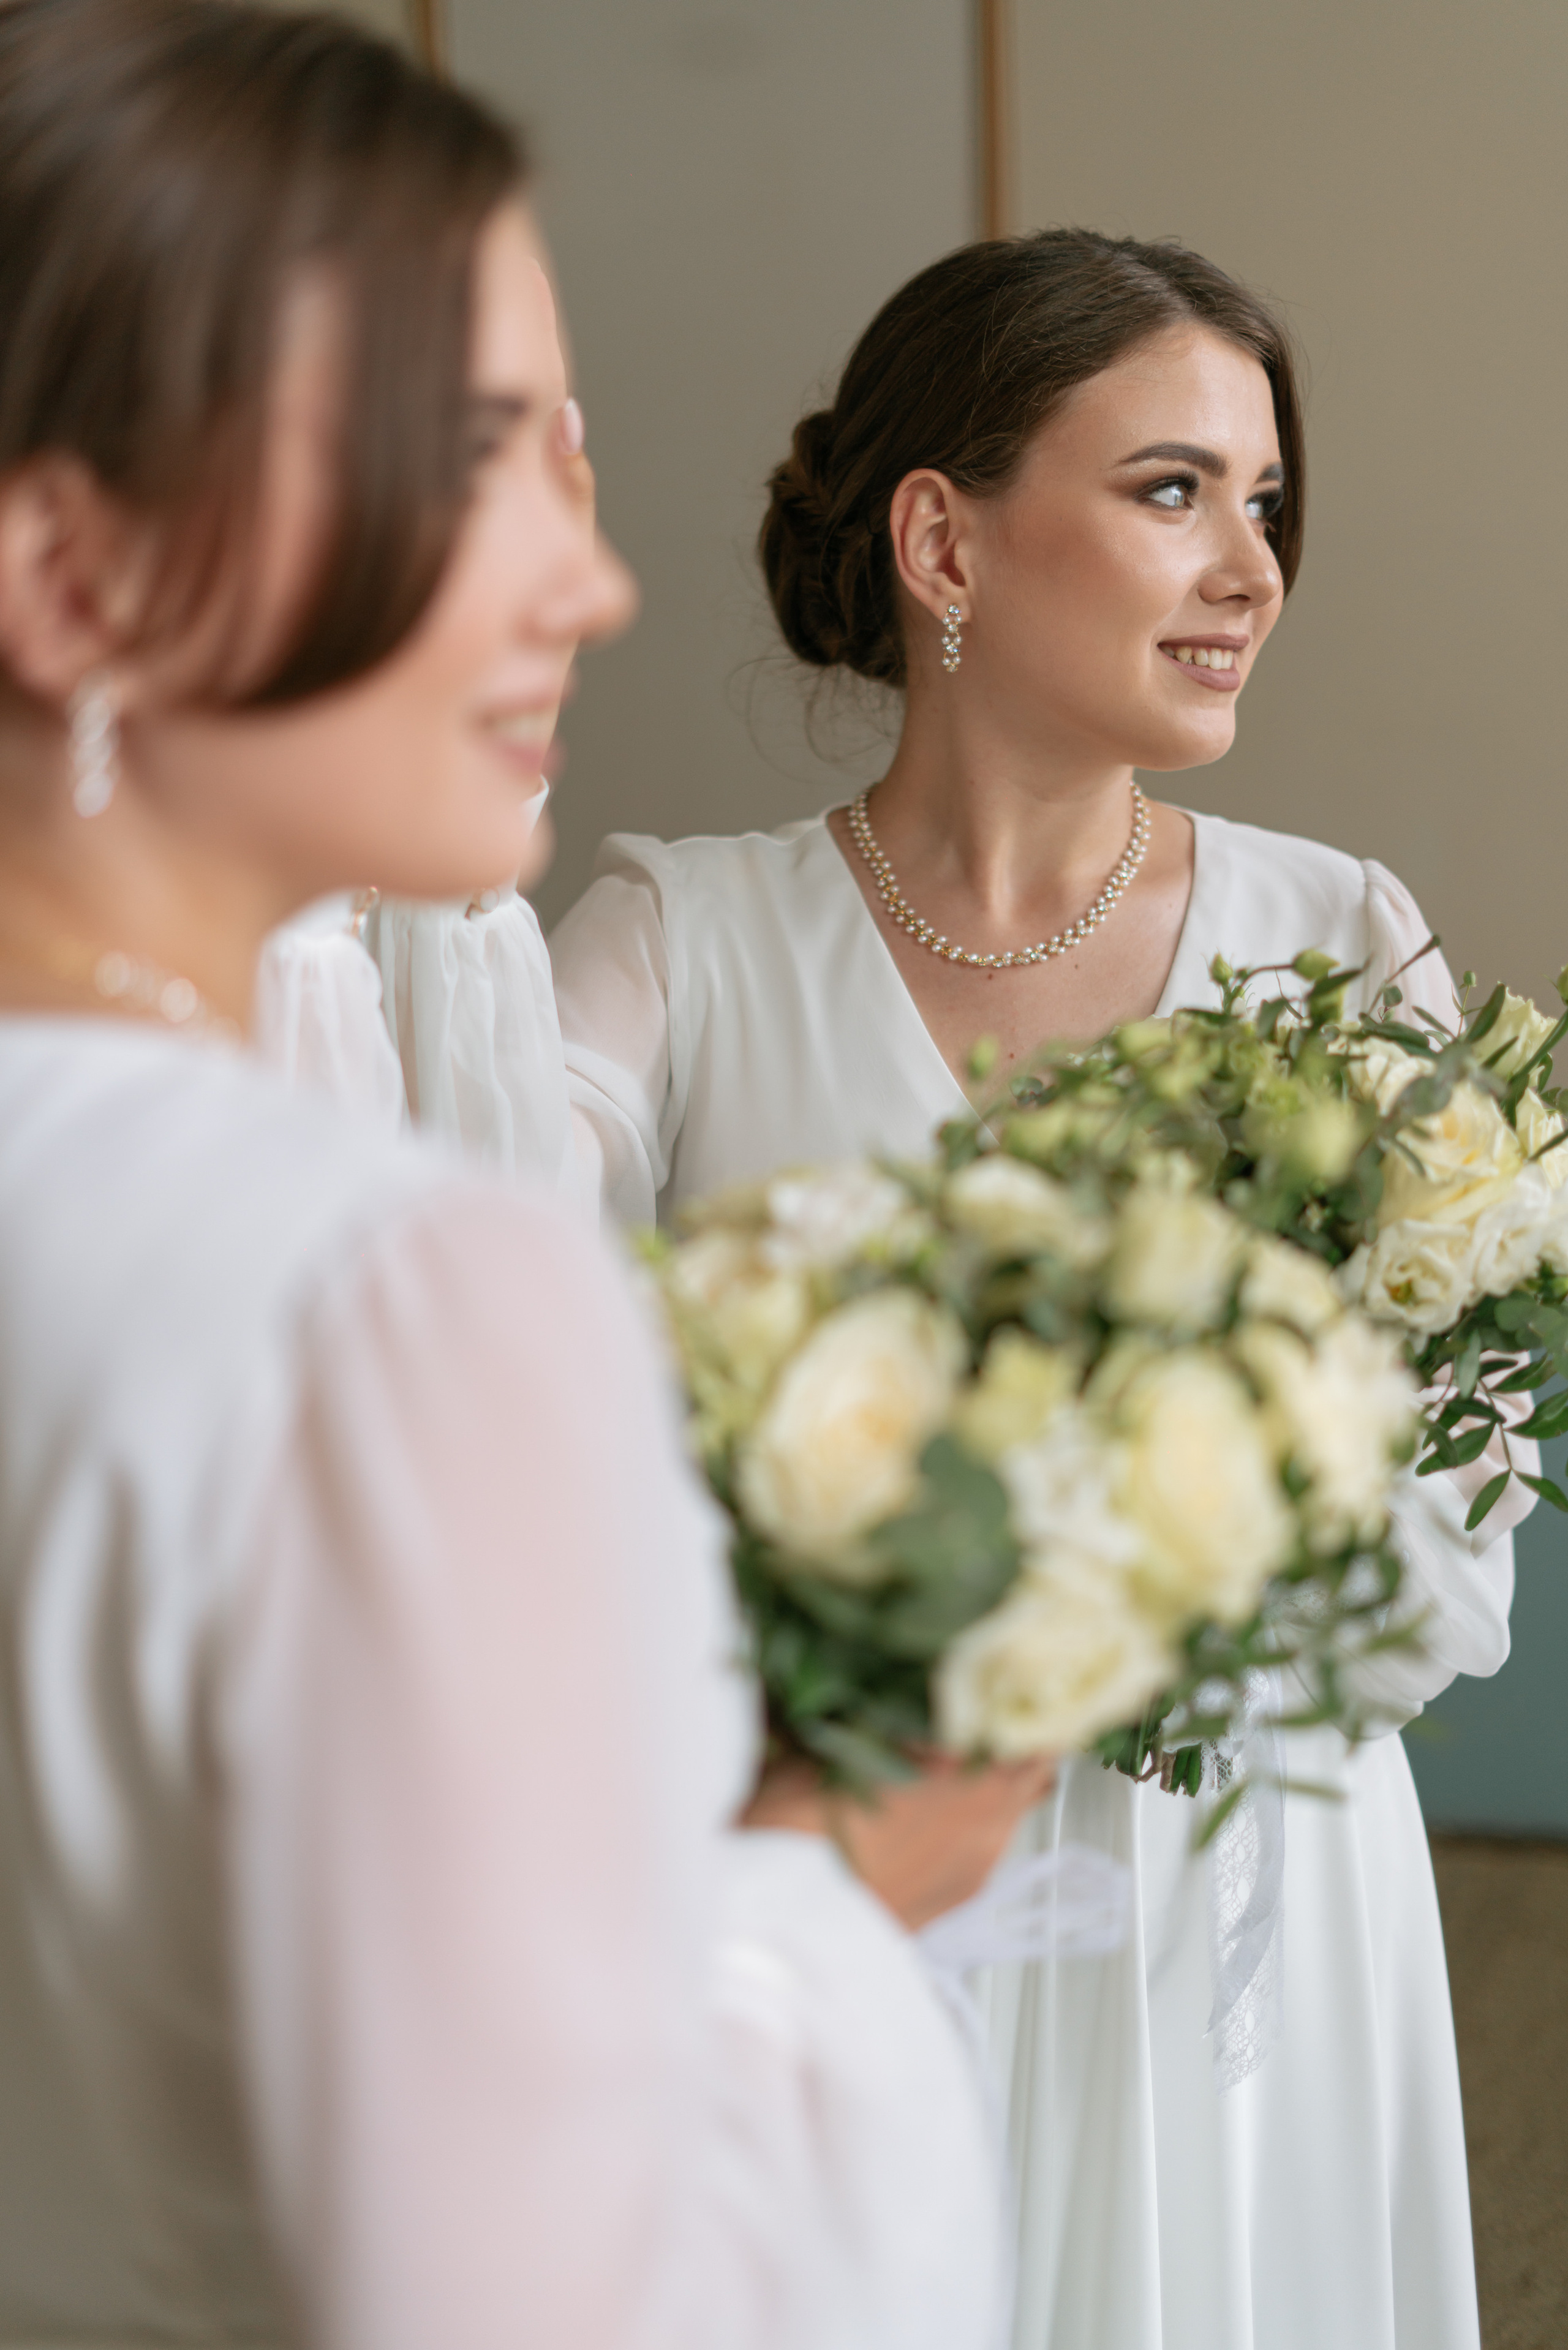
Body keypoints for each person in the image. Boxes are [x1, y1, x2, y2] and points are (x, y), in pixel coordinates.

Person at [0, 7, 1058, 2346]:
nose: (588, 588)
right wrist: (829, 1884)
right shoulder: (386, 1296)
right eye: (470, 459)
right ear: (71, 577)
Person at [365, 233, 1528, 2349]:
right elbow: (476, 1220)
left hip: (1253, 1887)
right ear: (944, 541)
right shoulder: (683, 937)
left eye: (1266, 503)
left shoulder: (1345, 935)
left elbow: (1456, 1506)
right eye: (1175, 490)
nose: (1253, 566)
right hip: (868, 1884)